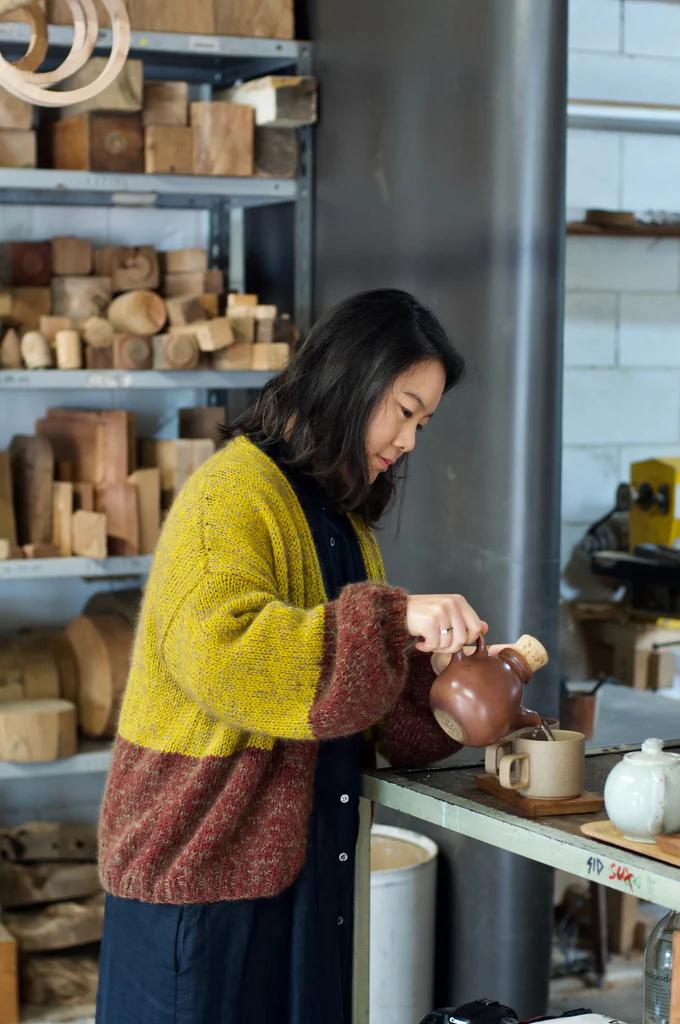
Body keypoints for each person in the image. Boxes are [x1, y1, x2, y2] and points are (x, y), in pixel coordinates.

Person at [95, 288, 497, 1024]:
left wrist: (432, 682)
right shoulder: (232, 496)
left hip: (307, 879)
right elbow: (227, 660)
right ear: (351, 379)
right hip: (203, 878)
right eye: (405, 411)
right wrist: (396, 617)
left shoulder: (341, 518)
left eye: (424, 422)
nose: (411, 441)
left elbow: (343, 700)